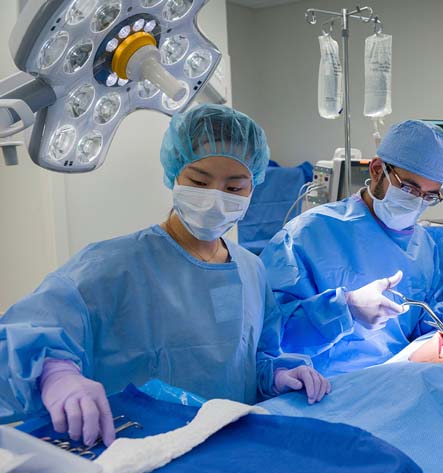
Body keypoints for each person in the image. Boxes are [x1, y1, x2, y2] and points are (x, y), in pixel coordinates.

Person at [0, 104, 329, 447]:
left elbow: (251, 359)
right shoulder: (113, 265)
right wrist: (57, 374)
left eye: (234, 189)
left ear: (253, 187)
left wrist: (275, 375)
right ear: (174, 174)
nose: (215, 198)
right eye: (199, 181)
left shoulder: (251, 269)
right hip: (134, 450)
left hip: (229, 449)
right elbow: (29, 331)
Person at [262, 120, 443, 376]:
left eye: (429, 196)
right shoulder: (307, 235)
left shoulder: (422, 246)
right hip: (323, 387)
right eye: (409, 188)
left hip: (392, 378)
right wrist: (345, 308)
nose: (416, 203)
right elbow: (269, 334)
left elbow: (419, 319)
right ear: (377, 169)